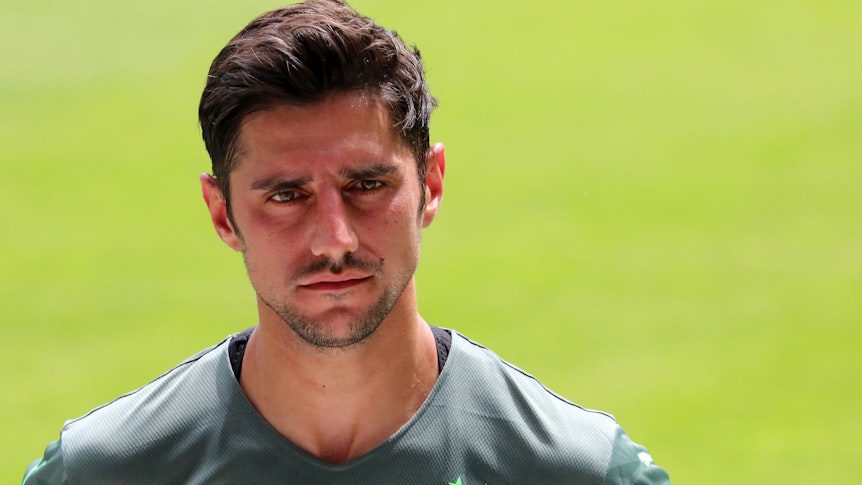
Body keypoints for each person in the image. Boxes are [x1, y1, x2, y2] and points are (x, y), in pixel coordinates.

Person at [23, 1, 671, 483]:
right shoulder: (106, 470)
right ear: (222, 213)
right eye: (286, 195)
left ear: (431, 184)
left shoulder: (574, 469)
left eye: (366, 185)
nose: (334, 238)